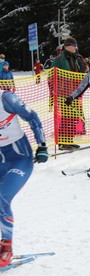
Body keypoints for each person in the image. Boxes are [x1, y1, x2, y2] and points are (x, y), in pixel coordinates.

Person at [0, 89, 48, 267]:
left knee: (1, 197)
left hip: (20, 158)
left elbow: (32, 117)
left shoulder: (6, 99)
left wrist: (42, 145)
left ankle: (6, 249)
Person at [51, 36, 88, 151]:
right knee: (66, 117)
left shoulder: (77, 57)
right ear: (68, 46)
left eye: (76, 46)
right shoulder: (59, 59)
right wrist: (57, 87)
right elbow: (52, 75)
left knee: (74, 117)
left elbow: (83, 70)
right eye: (74, 46)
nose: (76, 48)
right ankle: (63, 142)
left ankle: (69, 140)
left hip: (75, 92)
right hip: (64, 92)